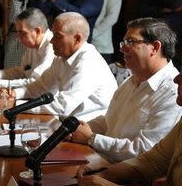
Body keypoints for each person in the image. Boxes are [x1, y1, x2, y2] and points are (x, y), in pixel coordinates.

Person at [70, 18, 182, 162]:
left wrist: (91, 139)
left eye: (131, 42)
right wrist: (77, 129)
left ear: (154, 47)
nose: (122, 48)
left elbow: (145, 151)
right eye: (123, 42)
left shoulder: (172, 91)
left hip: (130, 176)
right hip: (100, 161)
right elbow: (108, 122)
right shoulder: (132, 79)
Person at [77, 68, 182, 186]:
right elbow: (153, 159)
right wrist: (103, 174)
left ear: (155, 48)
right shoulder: (130, 81)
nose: (176, 79)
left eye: (131, 43)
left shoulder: (168, 89)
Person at [8, 12, 117, 121]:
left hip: (91, 129)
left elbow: (62, 106)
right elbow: (42, 86)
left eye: (57, 36)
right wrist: (14, 94)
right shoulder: (61, 57)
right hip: (68, 123)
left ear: (77, 39)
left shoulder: (88, 62)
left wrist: (16, 105)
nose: (51, 41)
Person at [0, 8, 54, 89]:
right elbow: (22, 71)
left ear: (37, 31)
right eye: (17, 32)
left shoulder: (52, 46)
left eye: (22, 33)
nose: (18, 37)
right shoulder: (32, 45)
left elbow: (35, 82)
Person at [4, 0, 44, 68]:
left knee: (28, 71)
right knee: (12, 70)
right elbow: (14, 19)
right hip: (15, 39)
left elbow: (40, 15)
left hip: (33, 39)